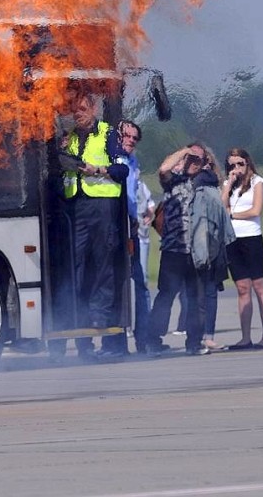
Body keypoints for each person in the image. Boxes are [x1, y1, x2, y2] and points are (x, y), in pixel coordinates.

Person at [48, 89, 129, 362]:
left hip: (103, 207)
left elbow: (122, 169)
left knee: (102, 263)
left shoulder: (107, 134)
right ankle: (76, 319)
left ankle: (99, 319)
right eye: (75, 111)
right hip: (76, 206)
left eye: (82, 110)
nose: (77, 115)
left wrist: (98, 170)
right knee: (76, 264)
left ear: (93, 110)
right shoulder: (69, 139)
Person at [146, 142, 210, 356]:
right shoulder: (173, 182)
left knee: (196, 298)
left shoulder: (207, 185)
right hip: (174, 250)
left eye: (197, 160)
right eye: (189, 159)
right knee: (166, 296)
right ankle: (153, 341)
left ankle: (194, 342)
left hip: (197, 252)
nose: (192, 163)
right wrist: (184, 151)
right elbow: (163, 169)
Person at [221, 148, 263, 350]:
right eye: (232, 165)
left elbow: (256, 210)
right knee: (242, 287)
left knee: (259, 285)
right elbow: (221, 206)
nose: (236, 169)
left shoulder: (257, 182)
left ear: (247, 163)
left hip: (251, 237)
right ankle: (245, 337)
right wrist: (228, 185)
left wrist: (232, 215)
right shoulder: (229, 184)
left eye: (240, 164)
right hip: (233, 239)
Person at [191, 146, 234, 352]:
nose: (201, 164)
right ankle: (195, 338)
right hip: (188, 245)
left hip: (211, 244)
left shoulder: (211, 184)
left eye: (204, 160)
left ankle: (208, 336)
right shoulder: (185, 181)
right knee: (193, 294)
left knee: (209, 293)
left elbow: (222, 211)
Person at [114, 119, 151, 354]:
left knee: (140, 283)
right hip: (115, 226)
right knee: (118, 283)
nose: (130, 140)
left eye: (134, 138)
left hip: (130, 227)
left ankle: (142, 338)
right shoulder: (114, 158)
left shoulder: (133, 161)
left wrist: (136, 218)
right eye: (126, 136)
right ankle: (116, 341)